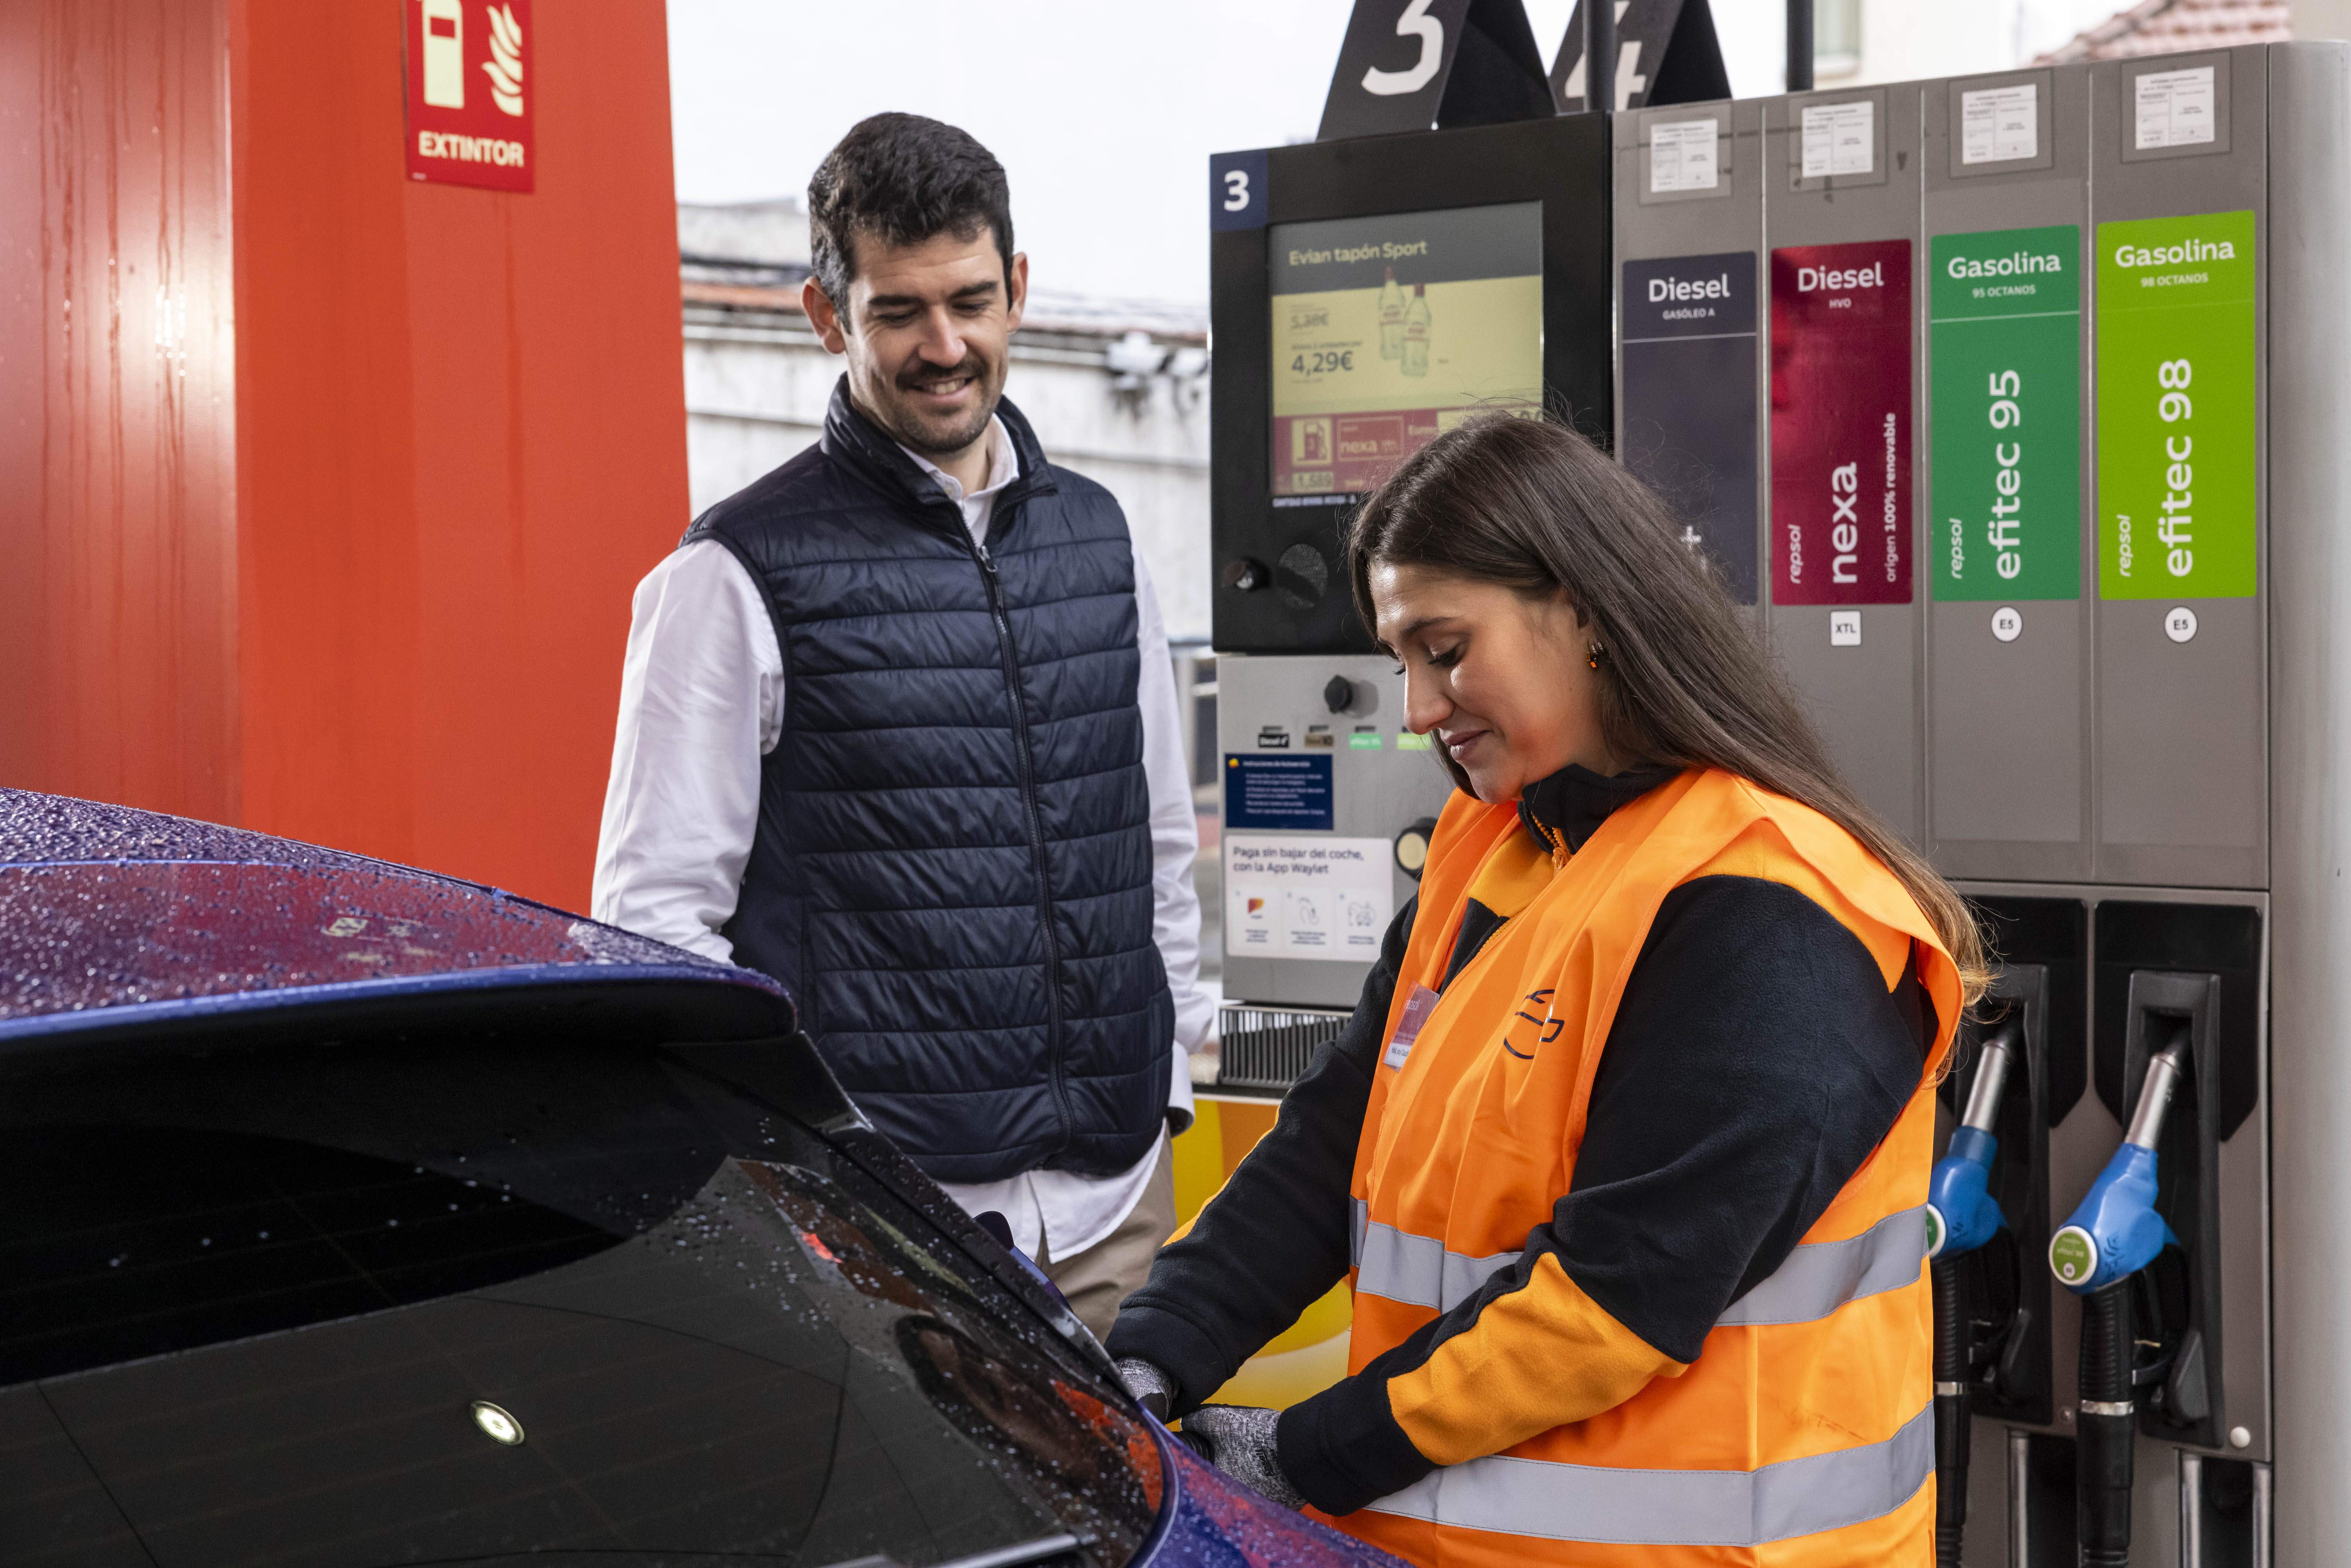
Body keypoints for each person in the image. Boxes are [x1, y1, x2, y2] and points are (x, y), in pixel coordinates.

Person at [1107, 413, 1985, 1565]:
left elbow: (1614, 1300)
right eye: (1401, 660)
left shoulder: (1775, 905)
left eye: (1448, 648)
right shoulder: (1496, 845)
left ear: (1584, 612)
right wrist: (1155, 1353)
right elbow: (1335, 1143)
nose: (1418, 707)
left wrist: (1302, 1453)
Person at [592, 113, 1213, 1339]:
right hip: (882, 1233)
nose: (946, 345)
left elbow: (1155, 840)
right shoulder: (733, 572)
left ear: (1017, 288)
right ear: (828, 316)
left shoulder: (1101, 536)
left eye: (973, 300)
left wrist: (1175, 1070)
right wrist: (807, 1161)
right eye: (898, 312)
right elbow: (655, 925)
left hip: (1116, 1208)